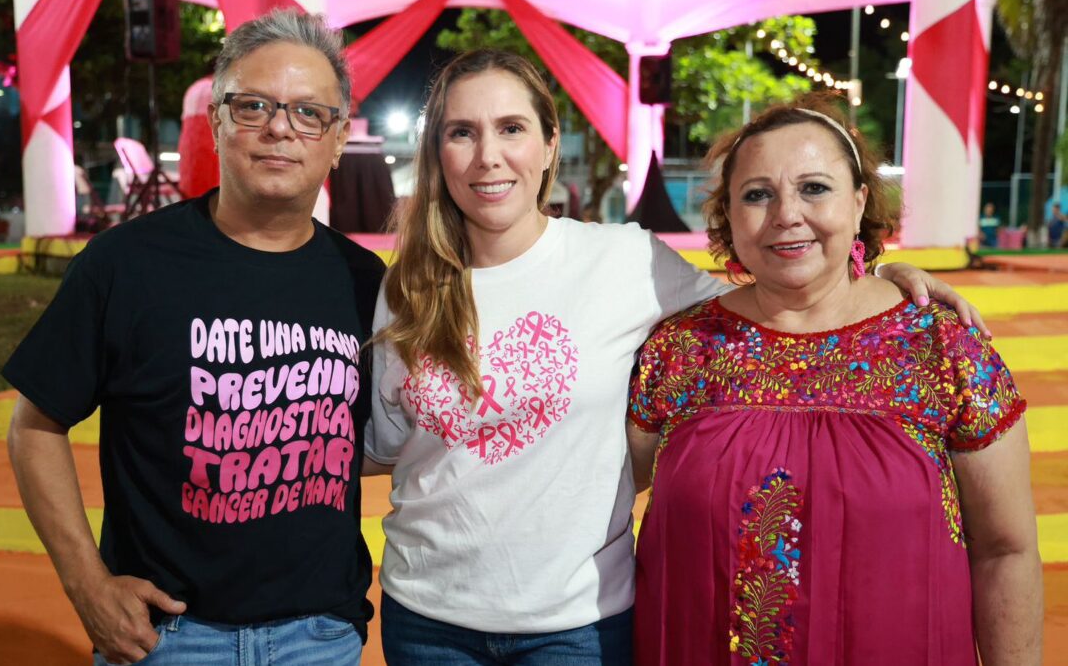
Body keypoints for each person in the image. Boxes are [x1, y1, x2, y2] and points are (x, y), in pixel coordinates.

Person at [362, 49, 989, 665]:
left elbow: (778, 295)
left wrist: (878, 274)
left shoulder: (626, 261)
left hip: (575, 625)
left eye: (512, 128)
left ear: (550, 144)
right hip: (427, 618)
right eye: (462, 133)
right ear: (436, 153)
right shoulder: (406, 289)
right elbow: (388, 443)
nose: (487, 157)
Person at [5, 10, 383, 665]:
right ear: (216, 119)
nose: (279, 129)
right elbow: (34, 426)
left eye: (307, 113)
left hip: (319, 635)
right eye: (253, 105)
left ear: (338, 137)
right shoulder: (124, 265)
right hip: (168, 637)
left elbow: (377, 439)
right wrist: (86, 583)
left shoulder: (363, 281)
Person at [627, 98, 1043, 665]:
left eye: (814, 188)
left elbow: (1005, 551)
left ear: (860, 201)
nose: (785, 215)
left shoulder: (942, 348)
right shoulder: (681, 349)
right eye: (756, 194)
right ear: (728, 215)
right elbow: (593, 502)